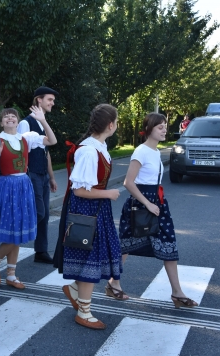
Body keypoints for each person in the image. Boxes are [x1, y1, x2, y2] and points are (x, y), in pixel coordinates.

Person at [119, 113, 197, 308]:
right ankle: (112, 283)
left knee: (169, 245)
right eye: (160, 127)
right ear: (149, 129)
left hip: (158, 204)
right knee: (124, 247)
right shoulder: (141, 151)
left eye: (165, 126)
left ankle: (177, 293)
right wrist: (147, 203)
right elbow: (128, 182)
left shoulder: (155, 152)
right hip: (141, 205)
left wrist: (155, 204)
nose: (164, 130)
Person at [54, 104, 122, 330]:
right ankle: (83, 311)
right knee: (88, 261)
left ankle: (75, 291)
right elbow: (79, 190)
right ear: (110, 125)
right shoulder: (88, 151)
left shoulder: (99, 146)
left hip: (96, 209)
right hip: (86, 210)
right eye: (117, 121)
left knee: (92, 258)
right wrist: (109, 193)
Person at [0, 107, 57, 289]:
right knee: (14, 232)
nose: (10, 119)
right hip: (7, 188)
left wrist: (43, 120)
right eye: (6, 117)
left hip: (24, 186)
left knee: (19, 231)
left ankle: (11, 274)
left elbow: (52, 141)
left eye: (13, 116)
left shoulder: (27, 138)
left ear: (17, 120)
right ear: (1, 123)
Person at [17, 86, 59, 264]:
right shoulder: (26, 123)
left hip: (42, 174)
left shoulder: (43, 122)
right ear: (38, 100)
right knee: (39, 212)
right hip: (30, 173)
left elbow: (46, 152)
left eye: (53, 100)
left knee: (45, 215)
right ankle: (15, 236)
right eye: (49, 99)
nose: (52, 103)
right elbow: (18, 150)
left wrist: (51, 176)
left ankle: (40, 251)